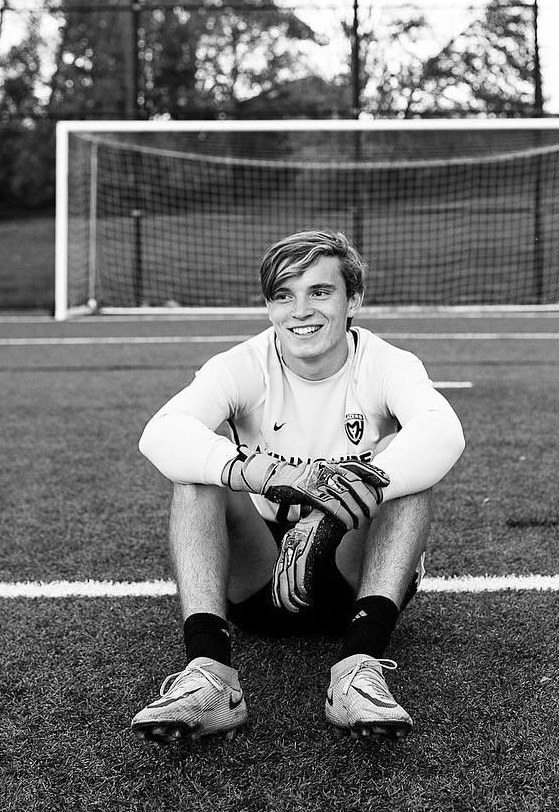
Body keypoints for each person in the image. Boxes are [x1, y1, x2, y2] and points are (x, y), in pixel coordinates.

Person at [133, 228, 465, 742]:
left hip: (348, 575)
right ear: (269, 308)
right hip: (260, 576)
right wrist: (262, 473)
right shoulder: (241, 365)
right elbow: (161, 432)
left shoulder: (387, 364)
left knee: (408, 482)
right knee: (193, 478)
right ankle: (207, 676)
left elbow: (443, 432)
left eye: (320, 292)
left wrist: (343, 499)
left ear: (353, 299)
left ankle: (359, 668)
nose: (301, 310)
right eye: (284, 295)